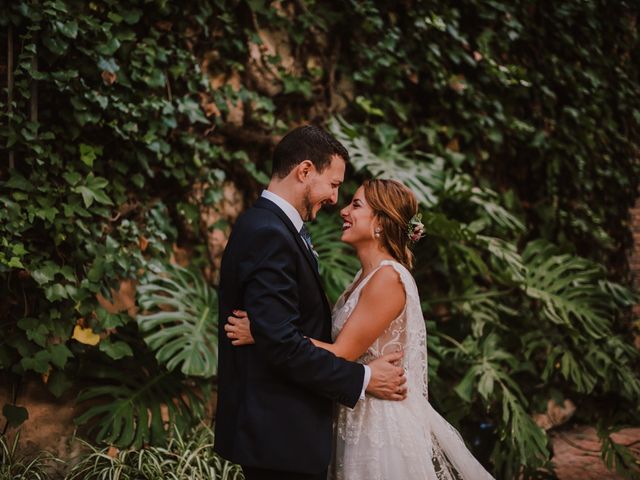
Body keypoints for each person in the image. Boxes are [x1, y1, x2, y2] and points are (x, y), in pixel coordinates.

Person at [226, 179, 495, 479]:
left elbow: (342, 353)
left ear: (380, 221)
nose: (342, 210)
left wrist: (264, 333)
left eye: (355, 205)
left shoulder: (388, 278)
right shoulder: (363, 277)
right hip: (356, 410)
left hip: (378, 424)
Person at [214, 126, 408, 480]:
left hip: (287, 436)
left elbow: (282, 335)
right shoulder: (269, 233)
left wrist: (264, 333)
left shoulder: (269, 228)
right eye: (333, 185)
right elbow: (283, 344)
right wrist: (364, 377)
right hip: (280, 435)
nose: (336, 200)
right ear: (304, 171)